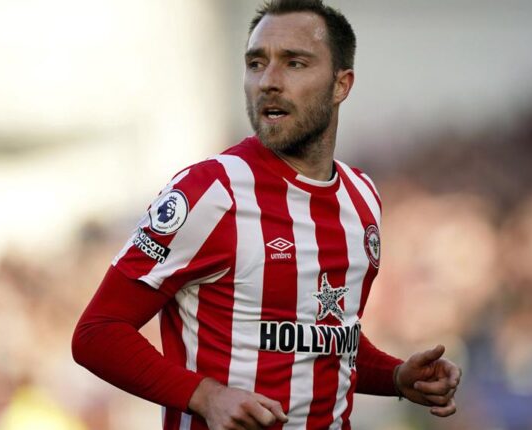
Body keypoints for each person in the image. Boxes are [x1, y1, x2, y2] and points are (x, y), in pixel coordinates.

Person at [72, 0, 462, 429]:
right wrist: (206, 396)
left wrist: (395, 376)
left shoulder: (362, 198)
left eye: (294, 63)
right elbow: (97, 332)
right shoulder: (211, 191)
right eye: (256, 64)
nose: (269, 81)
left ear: (341, 84)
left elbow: (325, 338)